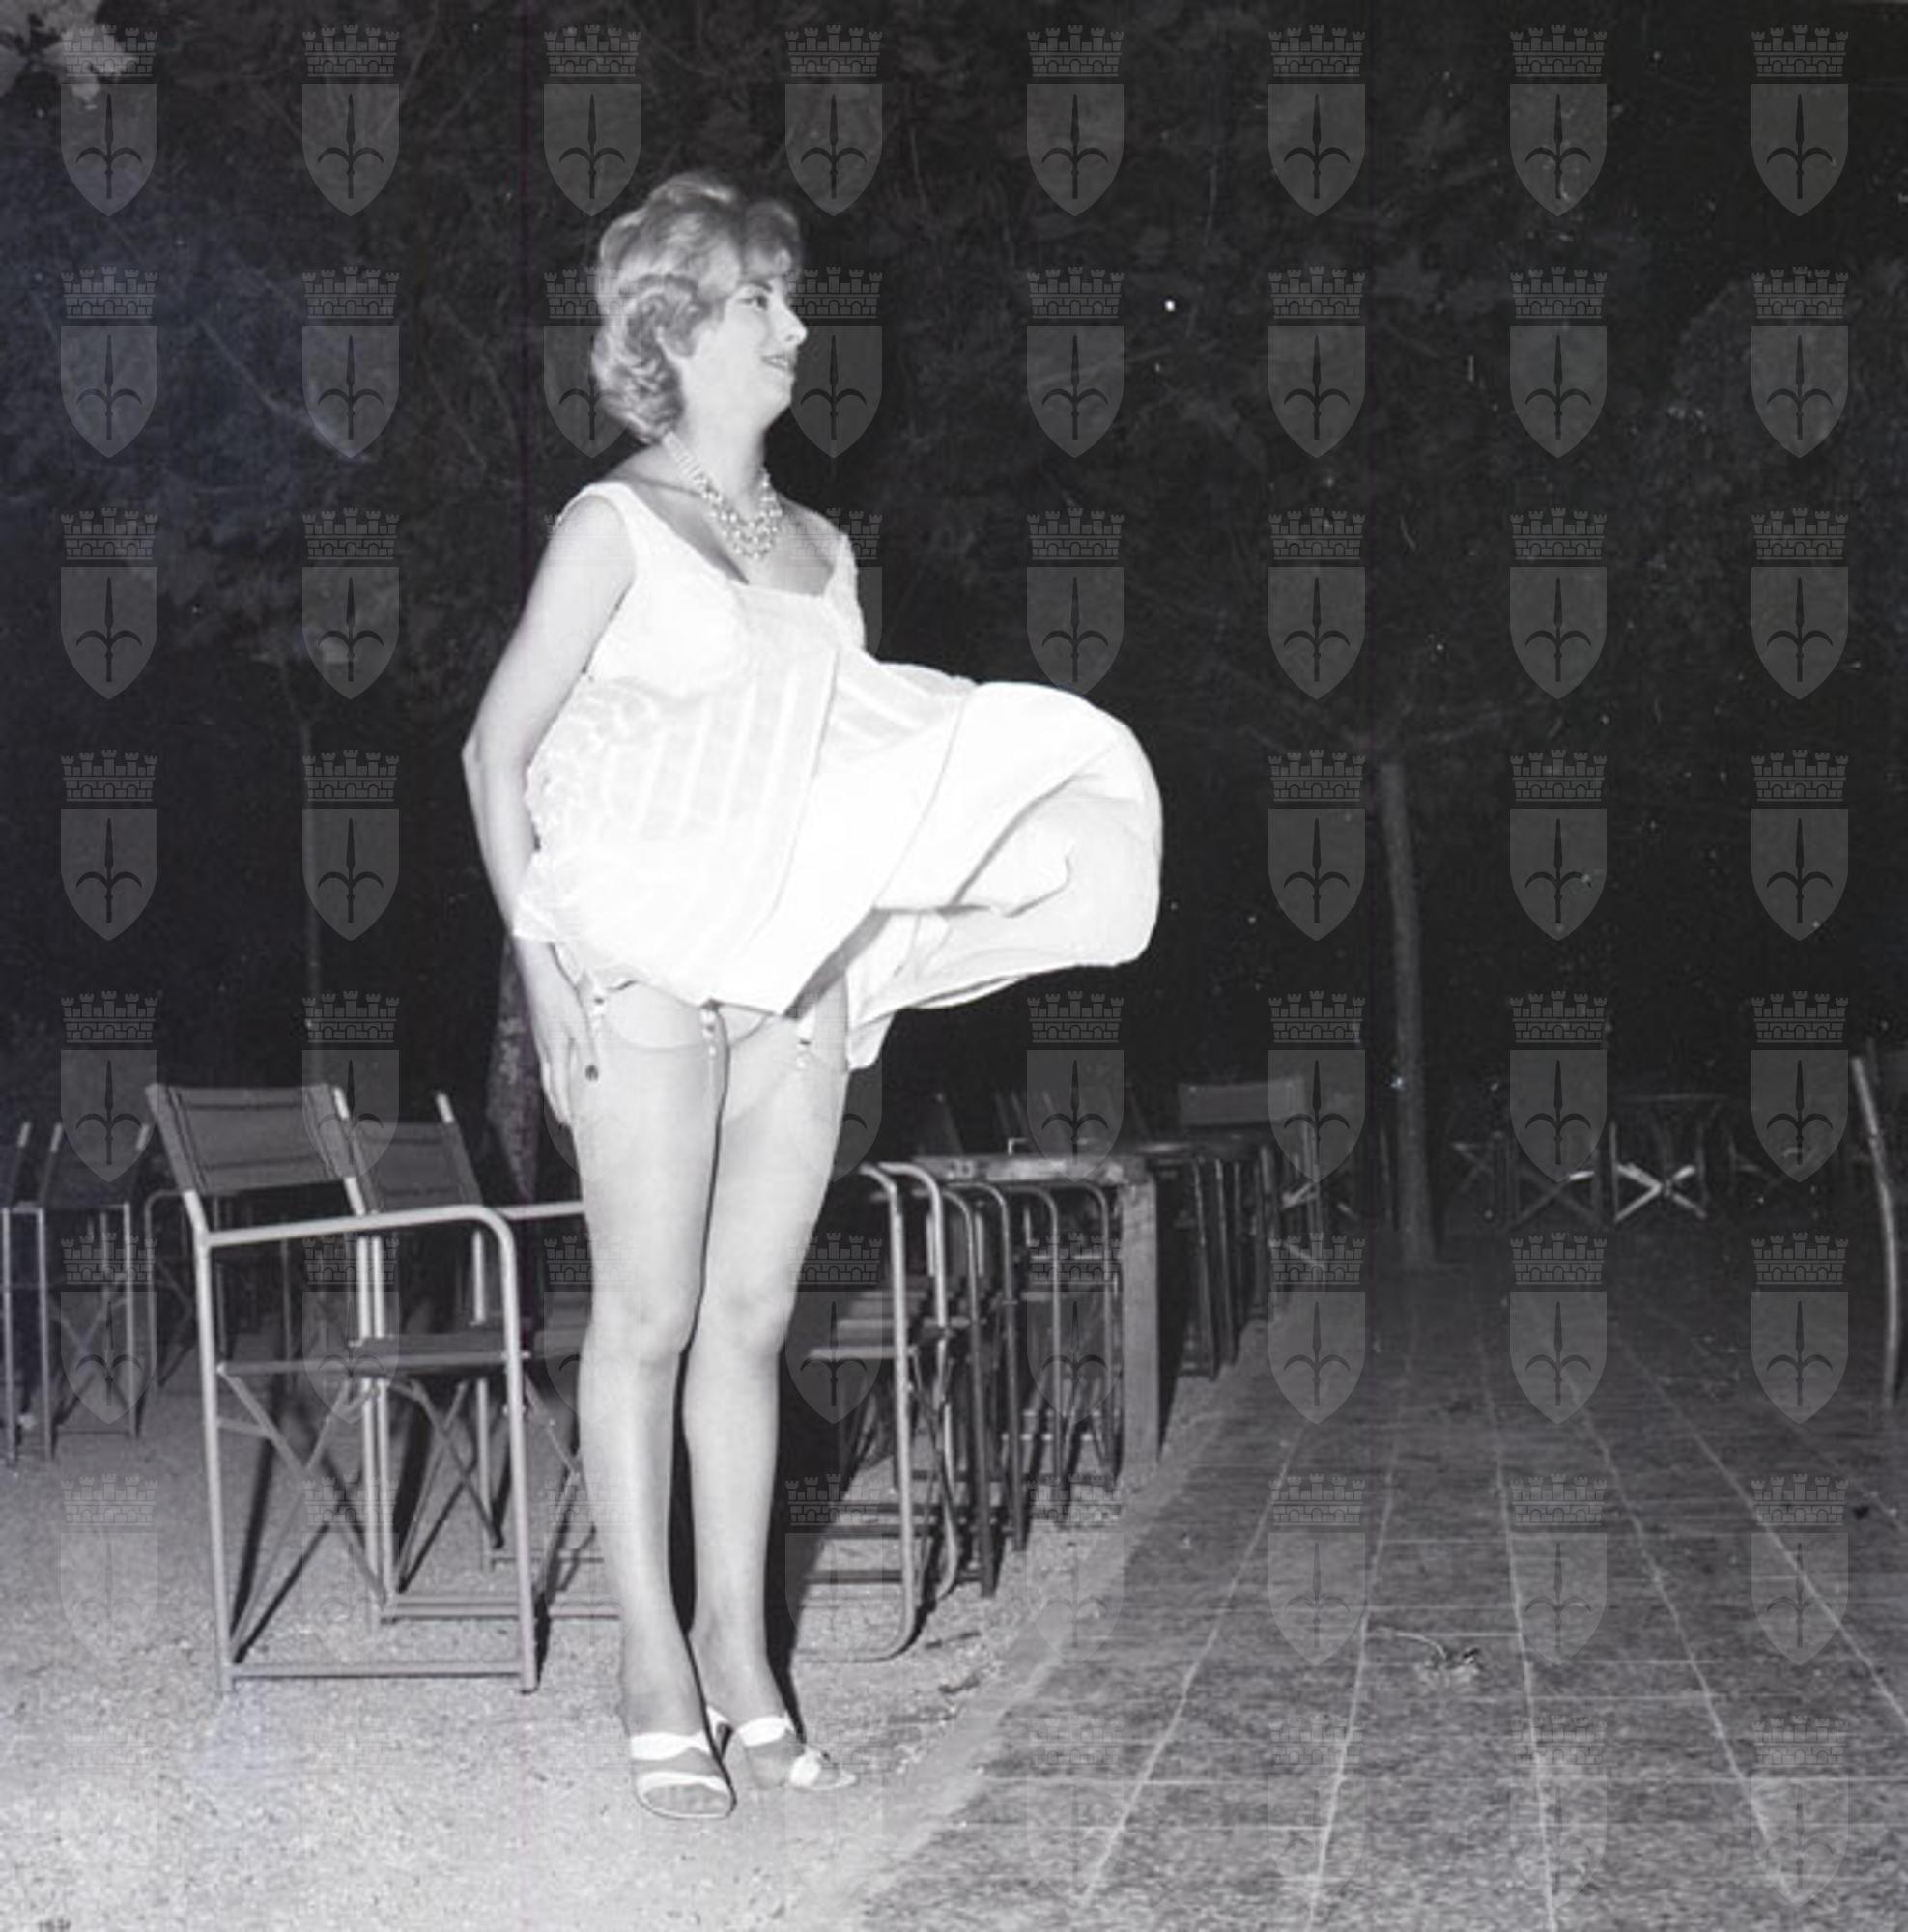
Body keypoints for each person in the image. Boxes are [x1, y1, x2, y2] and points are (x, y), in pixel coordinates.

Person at [462, 169, 1161, 1821]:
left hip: (787, 979)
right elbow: (496, 750)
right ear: (677, 335)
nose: (794, 325)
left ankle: (742, 1658)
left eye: (790, 295)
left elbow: (841, 766)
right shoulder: (611, 528)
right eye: (759, 301)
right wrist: (543, 973)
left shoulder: (828, 555)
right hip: (637, 965)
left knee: (753, 1324)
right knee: (646, 1318)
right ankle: (650, 1665)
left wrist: (1004, 829)